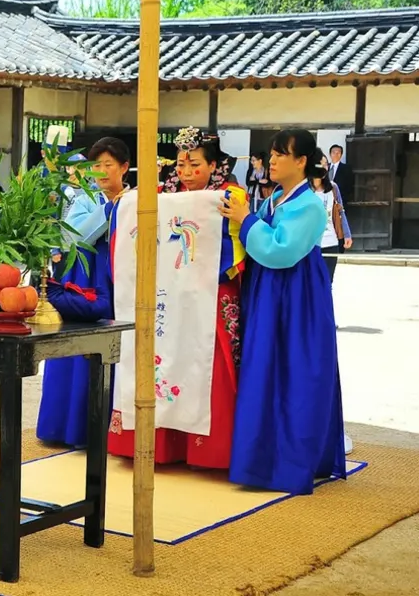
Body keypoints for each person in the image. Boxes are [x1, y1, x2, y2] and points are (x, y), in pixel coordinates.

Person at [107, 127, 243, 470]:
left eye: (194, 164)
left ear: (214, 165)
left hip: (210, 291)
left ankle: (206, 449)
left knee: (205, 360)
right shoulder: (162, 195)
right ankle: (158, 446)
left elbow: (234, 250)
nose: (184, 172)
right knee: (159, 353)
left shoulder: (230, 196)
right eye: (180, 165)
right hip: (166, 289)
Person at [219, 129, 346, 495]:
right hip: (269, 294)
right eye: (271, 154)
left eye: (280, 154)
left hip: (297, 299)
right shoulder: (274, 198)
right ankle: (260, 457)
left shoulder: (308, 205)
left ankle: (290, 461)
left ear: (302, 161)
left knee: (295, 372)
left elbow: (279, 252)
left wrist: (246, 220)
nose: (271, 160)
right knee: (263, 368)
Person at [36, 138, 129, 448]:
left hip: (122, 282)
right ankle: (69, 428)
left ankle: (114, 431)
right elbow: (75, 236)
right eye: (96, 165)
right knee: (77, 352)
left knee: (115, 351)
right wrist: (109, 208)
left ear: (124, 168)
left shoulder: (136, 200)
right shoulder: (84, 198)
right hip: (86, 283)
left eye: (109, 165)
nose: (101, 171)